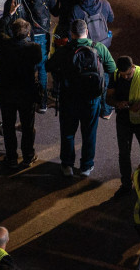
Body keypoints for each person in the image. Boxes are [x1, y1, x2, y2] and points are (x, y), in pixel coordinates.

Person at [48, 18, 116, 177]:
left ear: (72, 34)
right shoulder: (98, 48)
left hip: (69, 97)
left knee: (68, 133)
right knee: (89, 132)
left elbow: (48, 66)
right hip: (91, 98)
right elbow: (112, 68)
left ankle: (67, 165)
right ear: (87, 32)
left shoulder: (64, 50)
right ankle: (86, 166)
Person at [107, 56, 140, 198]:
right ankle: (126, 184)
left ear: (133, 67)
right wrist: (117, 103)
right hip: (124, 120)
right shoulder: (116, 76)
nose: (127, 77)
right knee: (124, 153)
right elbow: (108, 98)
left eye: (129, 74)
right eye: (123, 75)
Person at [0, 18, 42, 169]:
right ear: (28, 33)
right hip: (26, 92)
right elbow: (38, 62)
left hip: (7, 91)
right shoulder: (34, 48)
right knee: (27, 126)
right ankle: (28, 155)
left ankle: (11, 157)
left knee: (8, 126)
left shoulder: (3, 47)